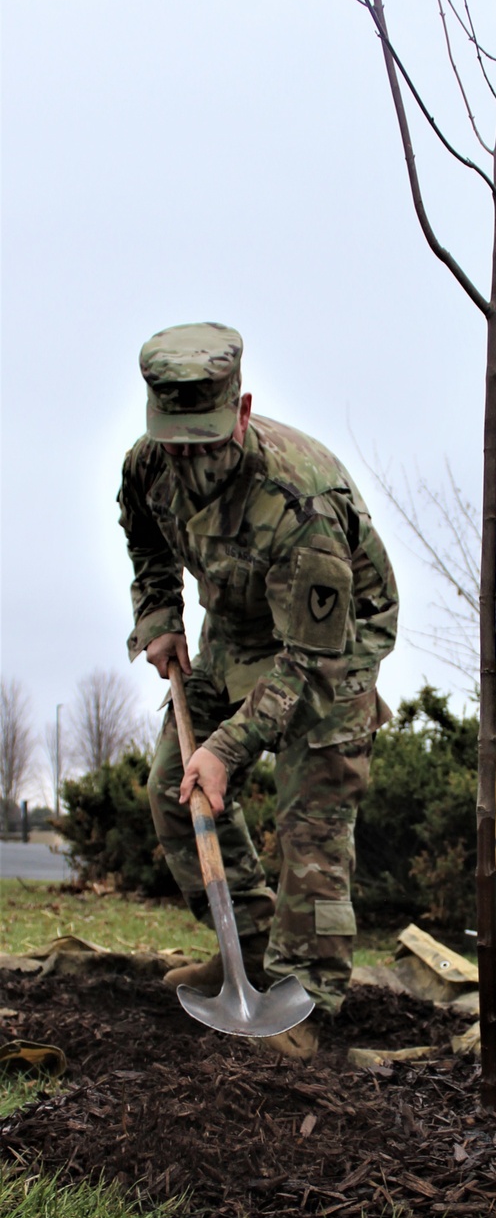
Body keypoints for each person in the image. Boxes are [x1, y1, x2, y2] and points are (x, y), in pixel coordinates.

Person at [119, 322, 398, 1057]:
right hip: (236, 632)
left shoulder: (300, 504)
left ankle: (303, 997)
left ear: (240, 413)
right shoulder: (147, 466)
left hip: (333, 649)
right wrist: (159, 615)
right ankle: (242, 945)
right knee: (171, 787)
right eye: (177, 443)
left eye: (206, 443)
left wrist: (227, 747)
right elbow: (146, 536)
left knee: (311, 824)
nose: (190, 462)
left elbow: (311, 664)